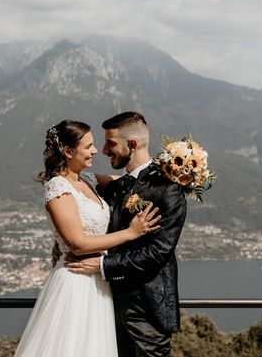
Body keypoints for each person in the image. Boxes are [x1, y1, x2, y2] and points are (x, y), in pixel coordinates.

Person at [14, 119, 162, 357]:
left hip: (98, 281)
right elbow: (78, 243)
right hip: (76, 281)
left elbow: (133, 180)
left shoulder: (89, 181)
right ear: (68, 151)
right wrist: (130, 233)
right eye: (88, 146)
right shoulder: (57, 188)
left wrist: (174, 172)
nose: (96, 151)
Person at [67, 112, 187, 357]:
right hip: (109, 303)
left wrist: (101, 265)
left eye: (111, 143)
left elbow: (157, 253)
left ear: (132, 145)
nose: (103, 150)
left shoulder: (167, 189)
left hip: (147, 307)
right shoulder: (119, 185)